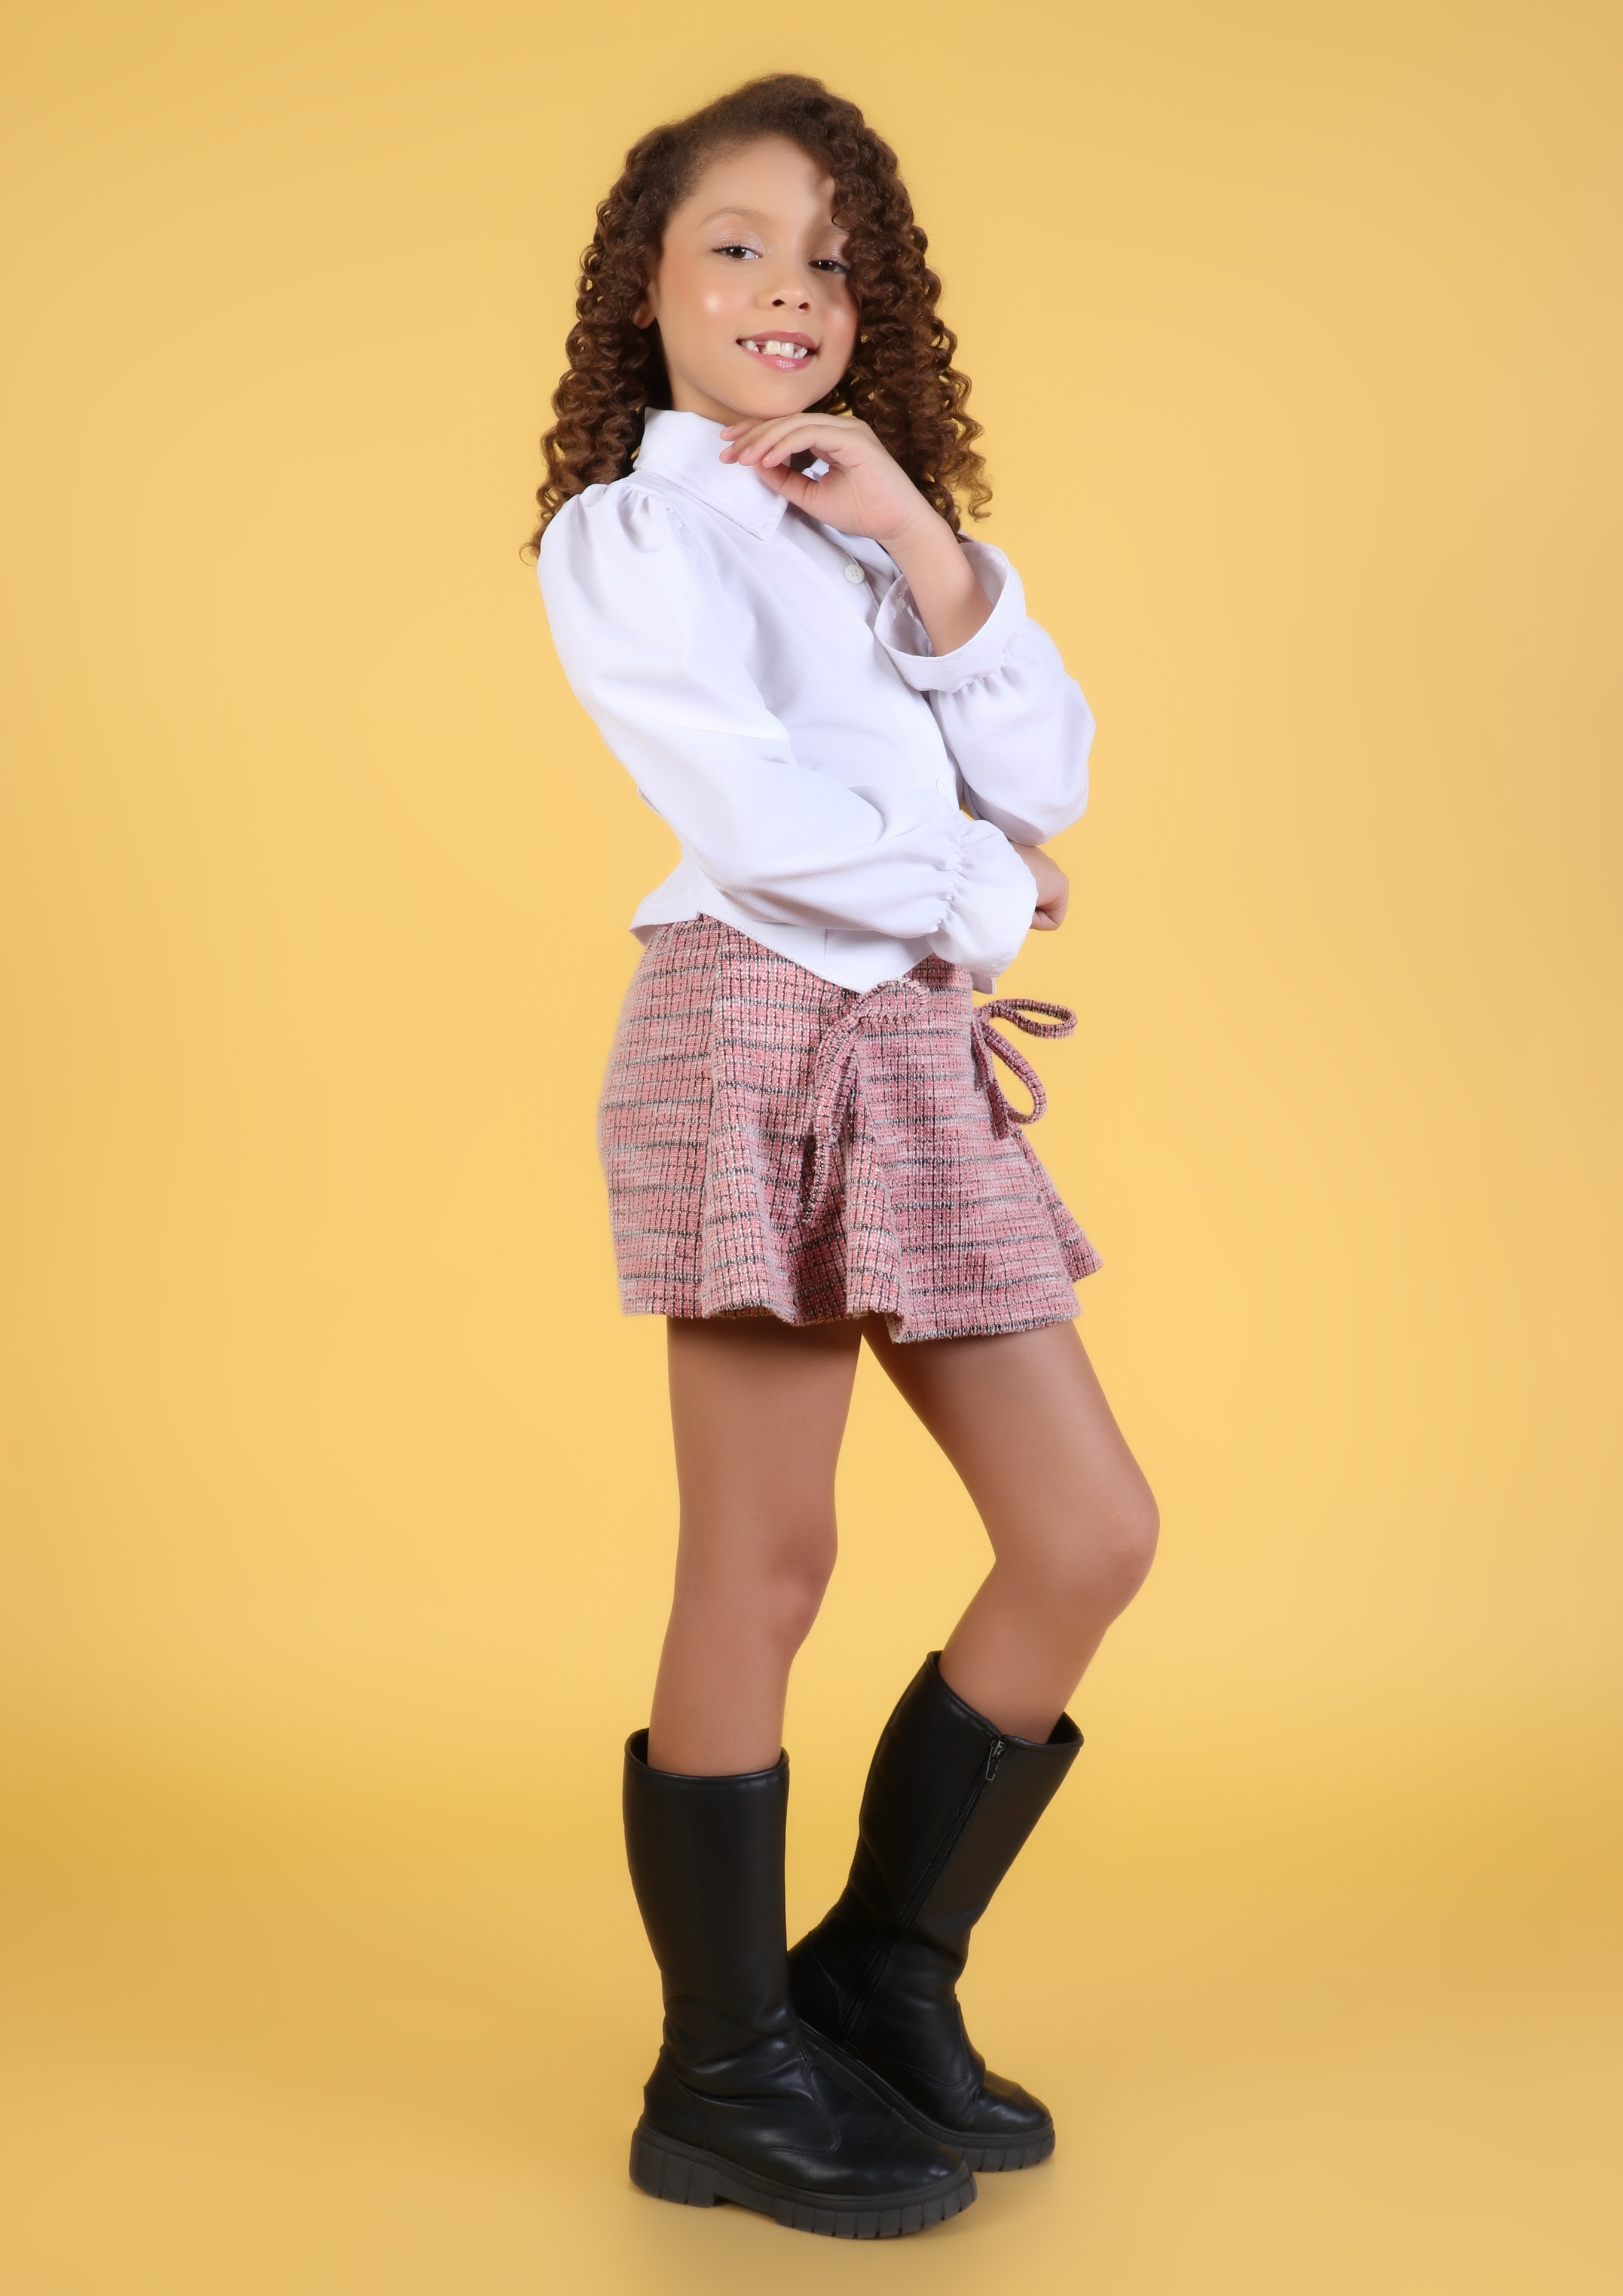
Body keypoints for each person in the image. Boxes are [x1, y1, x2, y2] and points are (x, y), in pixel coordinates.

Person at [531, 73, 1159, 2241]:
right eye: (736, 245)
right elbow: (762, 825)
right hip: (748, 1025)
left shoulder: (853, 528)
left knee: (1085, 1533)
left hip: (898, 1038)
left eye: (829, 259)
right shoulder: (633, 537)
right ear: (645, 283)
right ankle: (718, 2075)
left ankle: (875, 1980)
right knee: (764, 1564)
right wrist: (986, 886)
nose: (785, 290)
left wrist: (918, 538)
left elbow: (1046, 763)